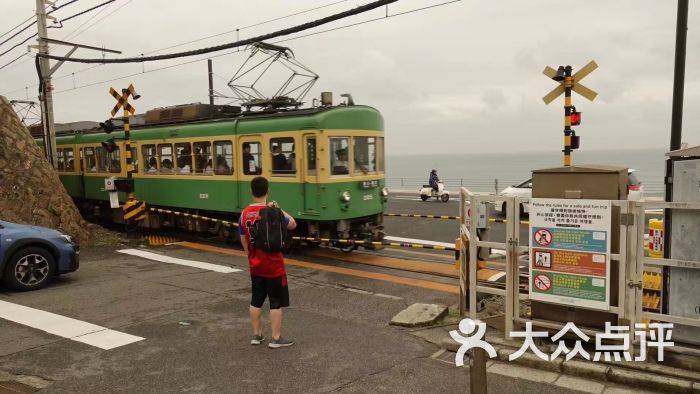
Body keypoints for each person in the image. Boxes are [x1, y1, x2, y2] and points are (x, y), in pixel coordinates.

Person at [238, 176, 297, 348]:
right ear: (268, 191)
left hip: (255, 264)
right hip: (274, 265)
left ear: (251, 192)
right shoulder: (273, 212)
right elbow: (293, 224)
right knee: (275, 301)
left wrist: (250, 256)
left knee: (256, 299)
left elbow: (243, 240)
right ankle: (276, 338)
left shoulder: (244, 214)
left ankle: (256, 335)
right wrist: (279, 209)